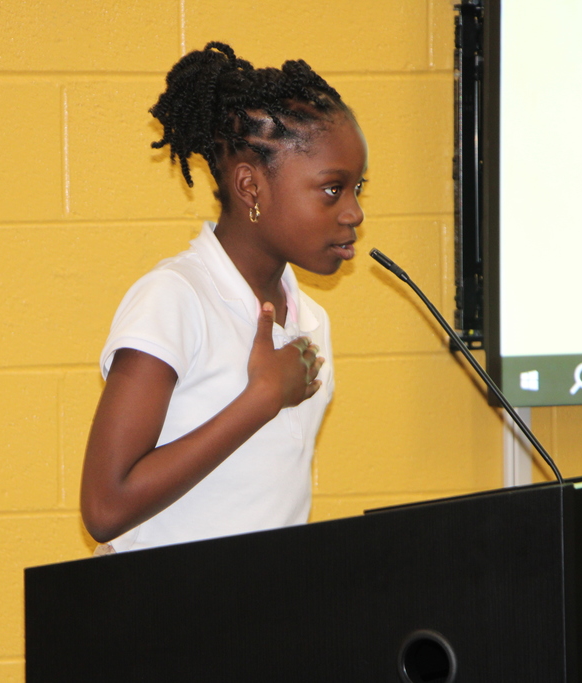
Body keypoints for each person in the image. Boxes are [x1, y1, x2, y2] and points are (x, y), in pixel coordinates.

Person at [80, 42, 367, 553]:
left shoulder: (310, 319)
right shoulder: (175, 298)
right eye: (332, 189)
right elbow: (104, 508)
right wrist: (260, 399)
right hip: (159, 619)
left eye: (357, 189)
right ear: (250, 186)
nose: (353, 213)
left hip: (260, 619)